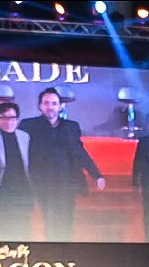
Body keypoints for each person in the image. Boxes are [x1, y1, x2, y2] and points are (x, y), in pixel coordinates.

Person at [18, 87, 105, 242]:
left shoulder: (71, 126)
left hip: (67, 182)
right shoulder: (28, 125)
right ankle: (52, 252)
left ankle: (65, 252)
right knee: (50, 220)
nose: (50, 107)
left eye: (54, 103)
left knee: (66, 220)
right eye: (46, 103)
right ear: (40, 106)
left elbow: (79, 152)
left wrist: (96, 175)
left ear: (59, 106)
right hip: (42, 182)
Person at [0, 101, 35, 219]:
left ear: (17, 119)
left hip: (21, 191)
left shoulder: (24, 137)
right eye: (4, 118)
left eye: (12, 117)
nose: (9, 121)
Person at [131, 113, 149, 243]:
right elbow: (137, 162)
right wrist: (134, 182)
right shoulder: (143, 142)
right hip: (148, 181)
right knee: (148, 210)